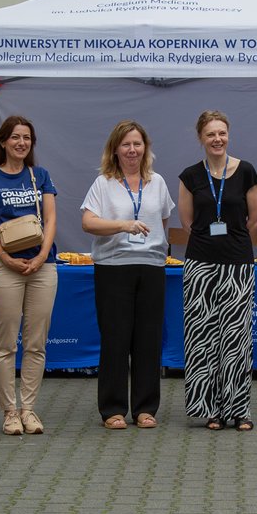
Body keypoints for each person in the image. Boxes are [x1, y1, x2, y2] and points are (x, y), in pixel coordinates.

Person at [81, 120, 175, 429]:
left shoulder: (157, 182)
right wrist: (123, 225)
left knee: (148, 339)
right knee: (115, 339)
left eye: (137, 144)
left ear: (145, 148)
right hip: (113, 268)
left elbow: (162, 221)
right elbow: (88, 223)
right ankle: (113, 409)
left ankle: (145, 408)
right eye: (126, 144)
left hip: (151, 268)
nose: (132, 149)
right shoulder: (103, 183)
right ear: (115, 149)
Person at [177, 111, 257, 432]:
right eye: (211, 134)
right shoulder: (189, 176)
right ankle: (212, 409)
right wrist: (210, 243)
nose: (217, 139)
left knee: (236, 337)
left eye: (222, 133)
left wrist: (231, 242)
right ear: (201, 138)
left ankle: (239, 409)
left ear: (229, 135)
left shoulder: (246, 171)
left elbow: (255, 218)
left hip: (237, 264)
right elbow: (187, 222)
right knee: (204, 336)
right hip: (200, 265)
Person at [0, 116, 58, 436]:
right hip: (5, 268)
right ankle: (10, 412)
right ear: (3, 142)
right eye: (15, 137)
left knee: (36, 345)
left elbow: (51, 220)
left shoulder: (41, 176)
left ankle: (29, 410)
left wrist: (41, 256)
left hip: (42, 267)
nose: (21, 143)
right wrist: (7, 258)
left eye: (27, 138)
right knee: (6, 345)